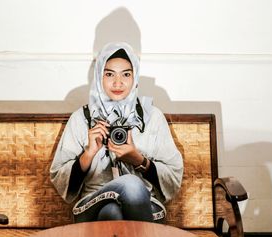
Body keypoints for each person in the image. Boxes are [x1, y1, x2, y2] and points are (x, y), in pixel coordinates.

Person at [50, 42, 183, 223]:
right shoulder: (82, 118)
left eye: (126, 74)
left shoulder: (152, 117)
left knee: (113, 212)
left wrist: (139, 161)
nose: (118, 83)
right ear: (99, 76)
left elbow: (174, 174)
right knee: (131, 184)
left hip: (143, 206)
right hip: (91, 204)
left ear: (135, 77)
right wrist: (88, 154)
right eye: (109, 74)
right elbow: (58, 176)